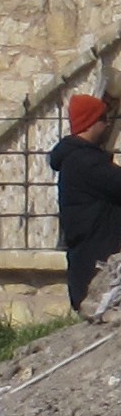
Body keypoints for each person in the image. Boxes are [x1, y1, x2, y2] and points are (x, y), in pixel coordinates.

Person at [56, 93, 121, 315]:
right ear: (90, 123)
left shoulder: (79, 160)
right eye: (103, 118)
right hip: (95, 266)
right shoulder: (85, 162)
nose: (108, 123)